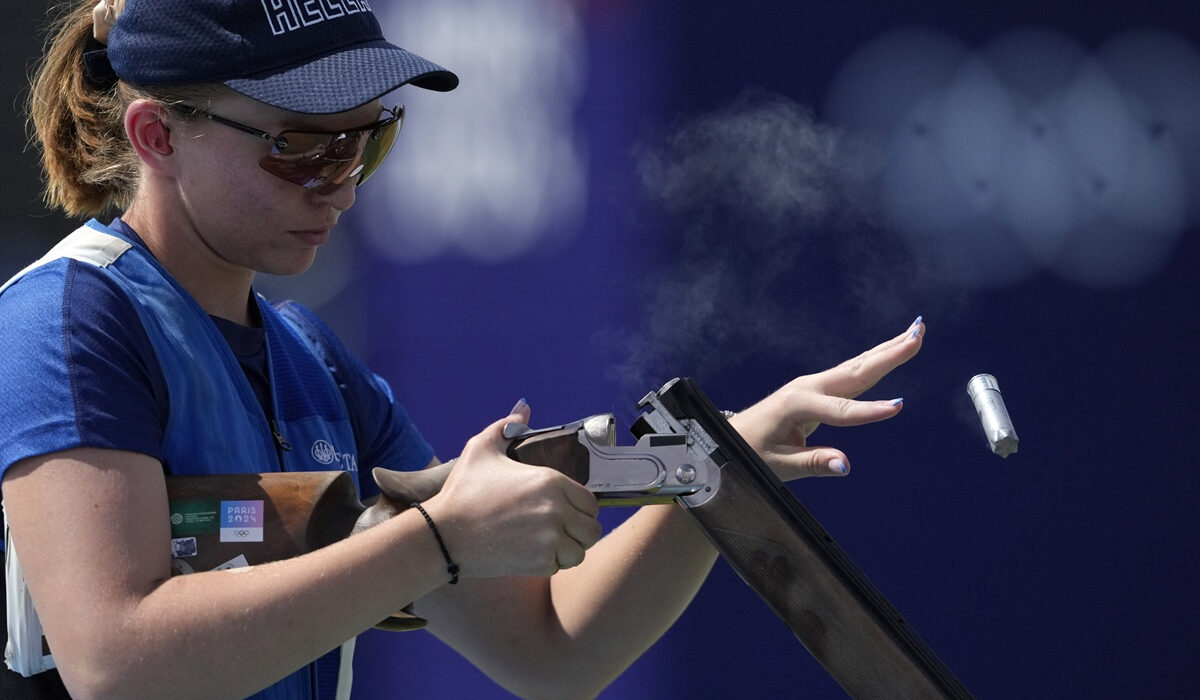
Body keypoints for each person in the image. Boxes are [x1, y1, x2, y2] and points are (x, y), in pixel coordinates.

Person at [0, 1, 926, 698]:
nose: (343, 187)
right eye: (301, 149)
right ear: (157, 135)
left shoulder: (312, 360)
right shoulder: (71, 321)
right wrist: (436, 542)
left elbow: (553, 649)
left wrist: (710, 473)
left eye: (368, 143)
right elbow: (115, 659)